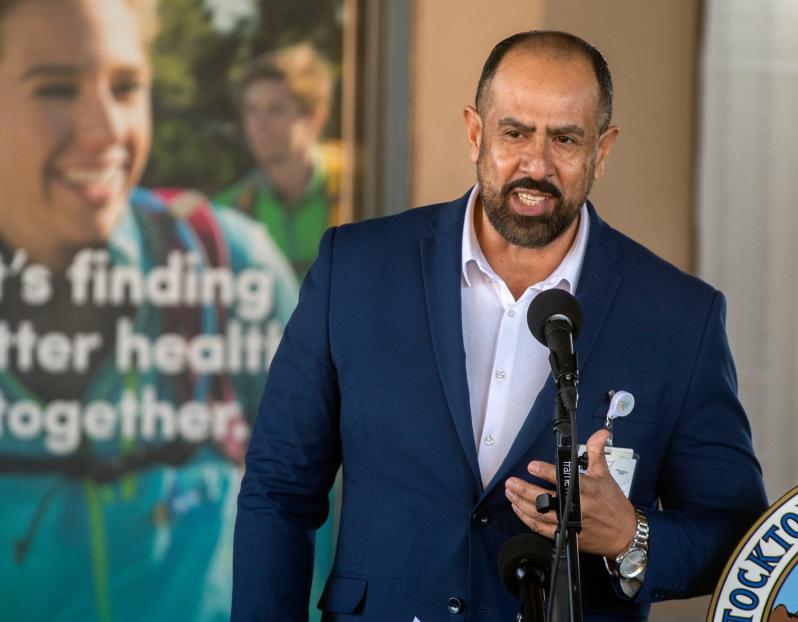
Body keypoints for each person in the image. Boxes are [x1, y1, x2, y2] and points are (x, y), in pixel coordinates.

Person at [232, 30, 768, 621]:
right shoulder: (356, 269)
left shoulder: (678, 316)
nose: (535, 165)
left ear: (603, 149)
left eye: (566, 138)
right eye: (515, 132)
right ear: (475, 132)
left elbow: (738, 535)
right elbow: (279, 492)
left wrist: (630, 535)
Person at [0, 0, 297, 620]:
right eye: (56, 89)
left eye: (126, 87)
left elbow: (334, 541)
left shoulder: (232, 271)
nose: (105, 130)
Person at [217, 43, 341, 280]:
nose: (259, 124)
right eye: (251, 110)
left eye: (275, 110)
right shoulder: (229, 211)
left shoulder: (358, 185)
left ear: (315, 117)